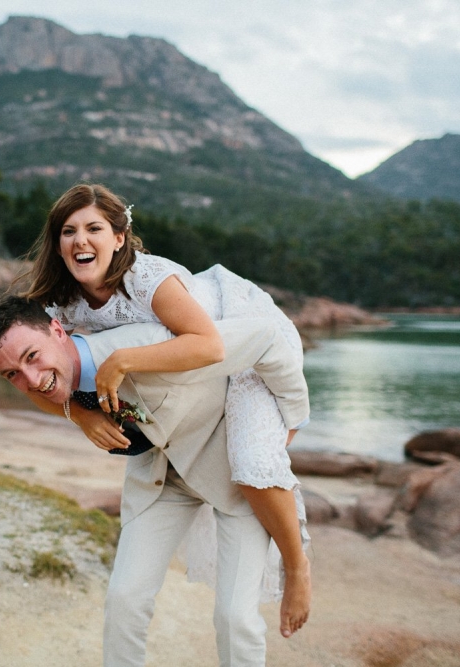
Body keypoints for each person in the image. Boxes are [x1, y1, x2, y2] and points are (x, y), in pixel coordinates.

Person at [21, 183, 311, 638]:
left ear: (119, 238)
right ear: (57, 245)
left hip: (240, 340)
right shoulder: (60, 306)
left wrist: (122, 362)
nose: (80, 240)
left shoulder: (147, 278)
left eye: (94, 228)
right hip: (184, 385)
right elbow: (29, 374)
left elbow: (210, 345)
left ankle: (296, 567)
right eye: (68, 231)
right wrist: (81, 416)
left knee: (254, 461)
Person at [0, 295, 310, 666]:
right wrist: (80, 414)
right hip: (161, 477)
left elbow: (262, 336)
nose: (31, 379)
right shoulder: (51, 378)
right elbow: (43, 388)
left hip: (227, 473)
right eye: (12, 375)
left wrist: (292, 421)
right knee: (124, 600)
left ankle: (298, 570)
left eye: (31, 356)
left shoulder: (143, 345)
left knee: (235, 618)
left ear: (57, 330)